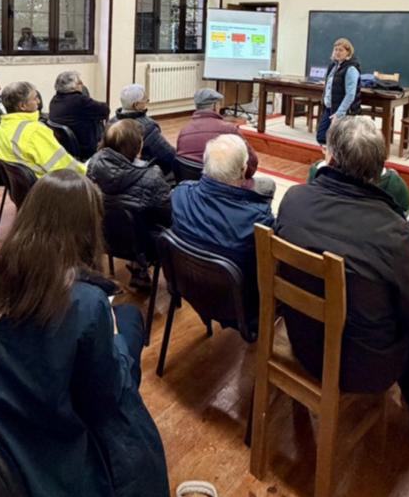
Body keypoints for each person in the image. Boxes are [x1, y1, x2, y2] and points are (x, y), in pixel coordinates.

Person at [0, 170, 169, 497]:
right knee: (130, 329)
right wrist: (115, 338)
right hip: (56, 448)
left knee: (124, 324)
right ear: (88, 228)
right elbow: (108, 398)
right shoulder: (85, 303)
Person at [275, 115, 409, 441]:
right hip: (364, 369)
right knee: (407, 323)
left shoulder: (294, 200)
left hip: (303, 342)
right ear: (379, 169)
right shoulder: (392, 230)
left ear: (330, 157)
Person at [171, 133, 274, 333]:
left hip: (190, 290)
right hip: (241, 308)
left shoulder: (180, 194)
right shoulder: (257, 220)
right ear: (243, 171)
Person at [86, 119, 172, 290]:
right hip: (143, 245)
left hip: (104, 236)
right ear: (137, 147)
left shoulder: (93, 165)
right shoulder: (151, 176)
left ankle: (138, 267)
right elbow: (168, 216)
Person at [177, 88, 275, 198]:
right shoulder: (229, 130)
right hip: (224, 191)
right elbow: (252, 163)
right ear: (215, 106)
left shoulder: (184, 131)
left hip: (193, 190)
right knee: (268, 185)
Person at [0, 81, 86, 177]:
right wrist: (87, 172)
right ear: (22, 106)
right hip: (50, 183)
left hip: (24, 185)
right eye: (35, 98)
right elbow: (65, 167)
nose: (38, 101)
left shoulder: (2, 127)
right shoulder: (35, 131)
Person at [109, 83, 177, 174]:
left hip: (113, 169)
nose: (147, 102)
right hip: (139, 171)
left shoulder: (111, 122)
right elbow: (168, 154)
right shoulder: (148, 127)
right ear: (136, 105)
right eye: (145, 100)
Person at [49, 70, 110, 159]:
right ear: (73, 87)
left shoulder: (54, 100)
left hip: (65, 147)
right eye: (79, 82)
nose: (82, 85)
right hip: (86, 148)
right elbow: (105, 110)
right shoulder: (80, 101)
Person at [316, 37, 361, 146]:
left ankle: (335, 156)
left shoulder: (351, 69)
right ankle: (330, 154)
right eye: (336, 49)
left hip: (342, 111)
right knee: (321, 137)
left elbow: (350, 95)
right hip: (329, 107)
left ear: (348, 52)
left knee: (337, 140)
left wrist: (339, 114)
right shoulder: (334, 66)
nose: (337, 52)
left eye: (341, 50)